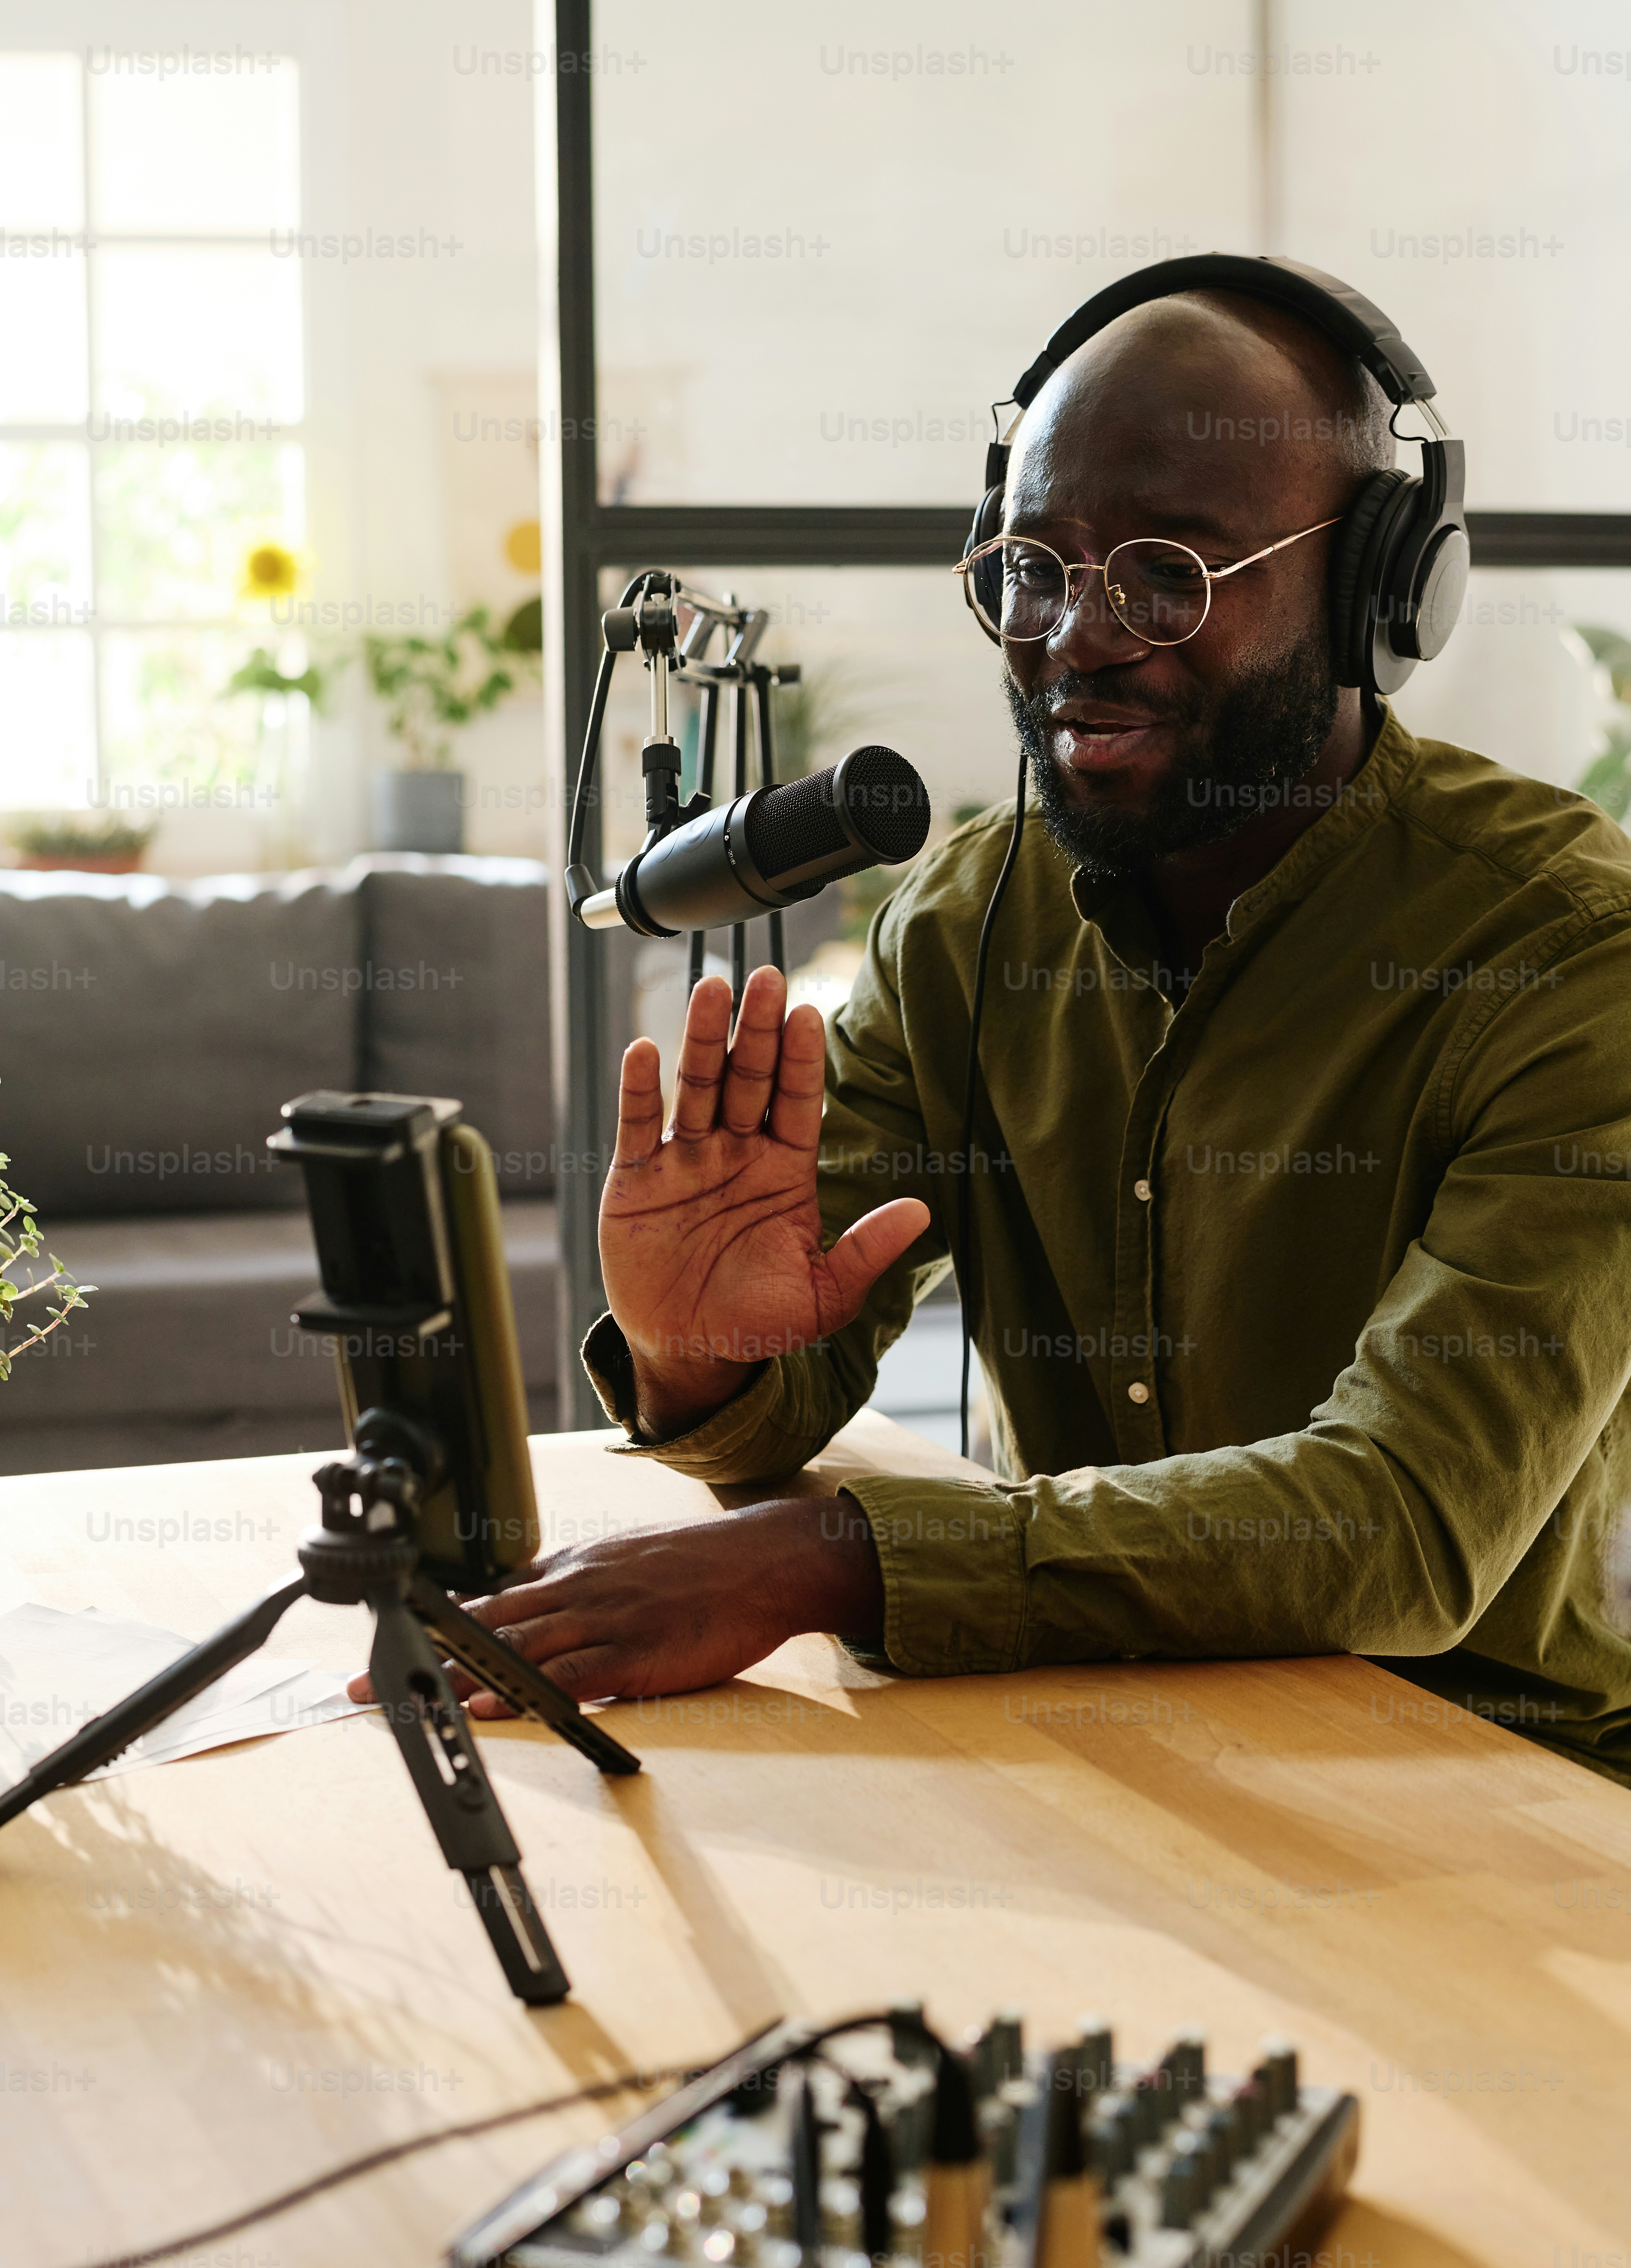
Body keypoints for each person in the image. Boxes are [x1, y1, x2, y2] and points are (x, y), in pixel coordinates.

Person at [352, 285, 1631, 1784]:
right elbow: (777, 1400)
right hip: (1082, 1734)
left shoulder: (1564, 957)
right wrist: (702, 1353)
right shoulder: (967, 922)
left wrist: (830, 1556)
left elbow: (1400, 1524)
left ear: (1376, 589)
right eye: (1029, 569)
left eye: (1166, 575)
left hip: (1484, 1788)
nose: (1074, 640)